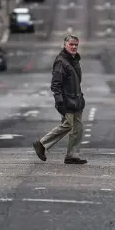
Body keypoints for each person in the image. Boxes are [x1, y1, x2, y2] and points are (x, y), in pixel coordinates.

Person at [33, 34, 87, 165]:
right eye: (71, 44)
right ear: (65, 45)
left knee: (78, 129)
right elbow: (55, 84)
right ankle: (41, 143)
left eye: (76, 45)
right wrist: (59, 101)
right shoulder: (61, 61)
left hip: (77, 100)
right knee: (68, 125)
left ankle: (72, 155)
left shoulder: (74, 60)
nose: (74, 47)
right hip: (67, 100)